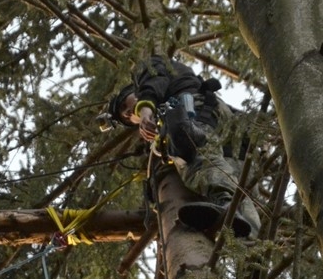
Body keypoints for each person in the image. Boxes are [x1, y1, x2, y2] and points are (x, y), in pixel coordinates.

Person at [98, 55, 261, 238]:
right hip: (226, 123)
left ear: (134, 90)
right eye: (127, 118)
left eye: (124, 106)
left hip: (196, 109)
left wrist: (145, 111)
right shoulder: (181, 86)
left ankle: (225, 202)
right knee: (240, 183)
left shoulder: (149, 70)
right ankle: (251, 245)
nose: (128, 113)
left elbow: (153, 81)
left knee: (194, 154)